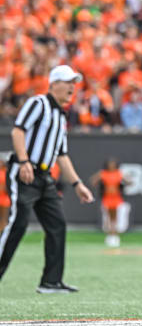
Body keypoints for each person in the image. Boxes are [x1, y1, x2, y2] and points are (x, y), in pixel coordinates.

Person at [0, 65, 94, 293]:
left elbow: (61, 155)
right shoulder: (38, 103)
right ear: (54, 84)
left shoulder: (61, 116)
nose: (73, 86)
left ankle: (51, 281)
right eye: (68, 81)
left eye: (75, 82)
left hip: (45, 177)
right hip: (25, 173)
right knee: (18, 224)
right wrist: (23, 161)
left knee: (57, 225)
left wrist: (77, 184)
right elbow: (18, 131)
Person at [90, 158, 128, 247]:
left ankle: (115, 235)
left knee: (115, 217)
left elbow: (128, 181)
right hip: (107, 198)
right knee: (107, 217)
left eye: (113, 164)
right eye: (110, 164)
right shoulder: (103, 173)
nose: (112, 166)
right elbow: (93, 181)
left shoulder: (118, 173)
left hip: (116, 197)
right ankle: (109, 235)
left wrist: (125, 182)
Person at [0, 161, 8, 233]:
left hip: (4, 200)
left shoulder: (5, 172)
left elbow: (7, 186)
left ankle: (3, 233)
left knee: (3, 219)